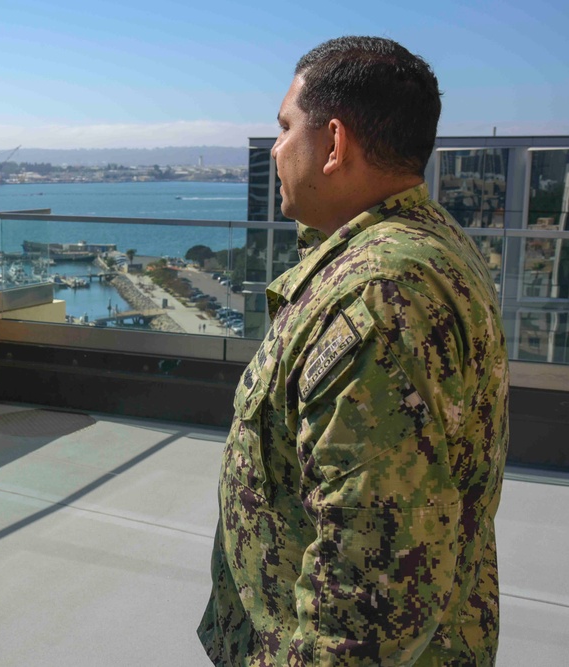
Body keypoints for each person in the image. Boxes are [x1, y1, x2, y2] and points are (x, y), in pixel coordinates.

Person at [198, 37, 509, 665]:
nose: (277, 149)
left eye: (285, 128)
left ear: (334, 143)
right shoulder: (424, 242)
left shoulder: (379, 298)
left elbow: (369, 602)